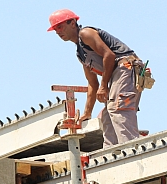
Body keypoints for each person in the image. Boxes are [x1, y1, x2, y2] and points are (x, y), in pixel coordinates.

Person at [48, 9, 145, 147]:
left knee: (118, 108)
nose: (58, 31)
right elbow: (92, 83)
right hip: (118, 73)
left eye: (60, 26)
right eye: (55, 29)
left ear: (73, 23)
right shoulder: (81, 54)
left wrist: (104, 86)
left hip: (126, 67)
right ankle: (112, 152)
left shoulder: (86, 33)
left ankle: (131, 148)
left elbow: (109, 55)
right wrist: (87, 112)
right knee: (107, 115)